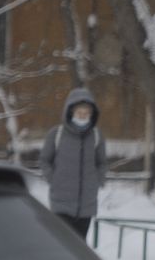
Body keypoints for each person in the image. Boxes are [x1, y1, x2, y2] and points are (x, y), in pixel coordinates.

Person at [41, 87, 107, 240]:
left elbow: (102, 163)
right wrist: (53, 179)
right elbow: (44, 160)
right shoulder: (56, 134)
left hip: (86, 206)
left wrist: (97, 181)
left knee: (79, 247)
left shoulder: (97, 135)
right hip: (61, 204)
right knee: (62, 245)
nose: (83, 116)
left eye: (86, 113)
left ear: (92, 114)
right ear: (71, 112)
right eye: (79, 112)